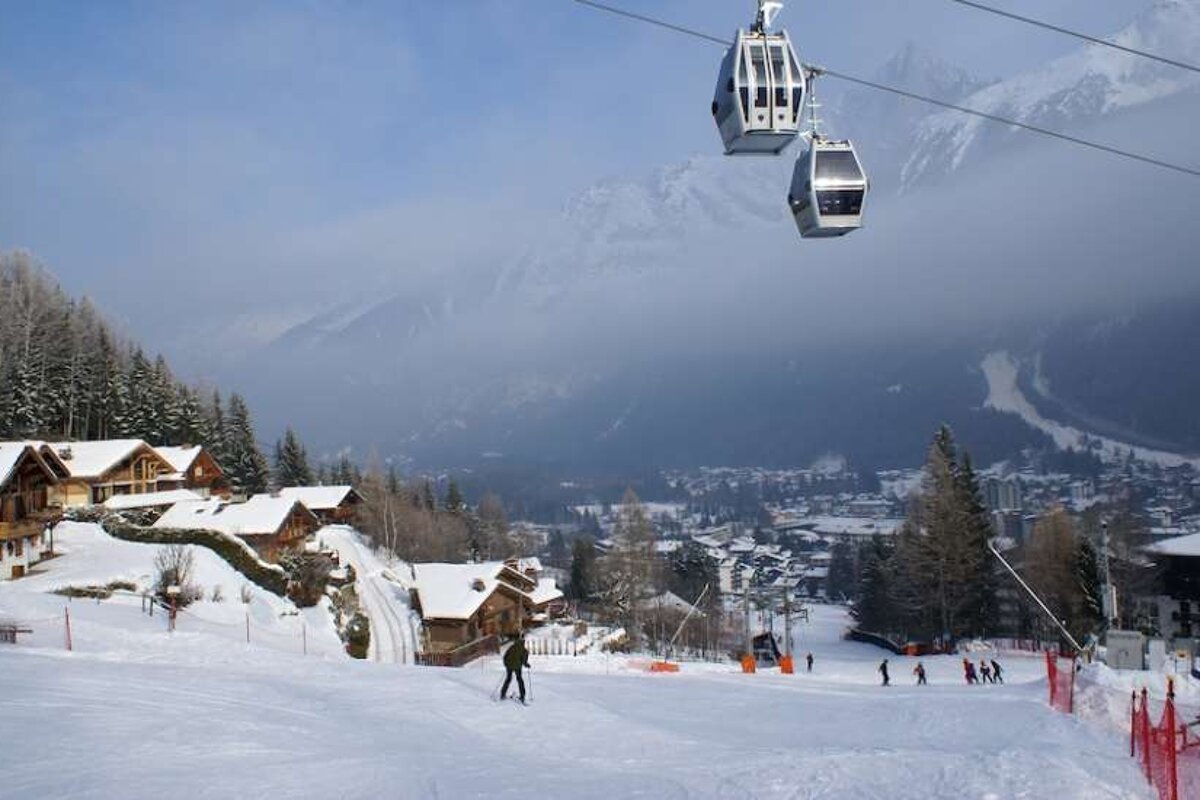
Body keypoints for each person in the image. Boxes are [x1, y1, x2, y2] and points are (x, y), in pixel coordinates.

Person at [500, 634, 530, 703]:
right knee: (519, 680)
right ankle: (522, 696)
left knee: (508, 679)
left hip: (509, 666)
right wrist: (526, 664)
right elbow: (524, 660)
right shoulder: (524, 650)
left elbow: (505, 656)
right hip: (517, 666)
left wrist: (506, 664)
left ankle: (502, 694)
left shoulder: (511, 647)